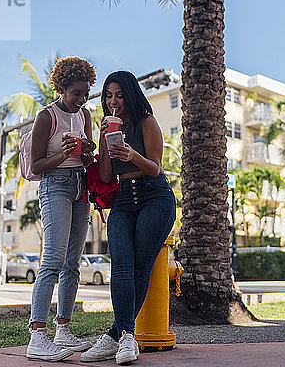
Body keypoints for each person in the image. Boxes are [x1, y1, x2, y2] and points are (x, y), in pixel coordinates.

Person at [81, 71, 176, 365]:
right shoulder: (108, 127)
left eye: (119, 95)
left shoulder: (147, 122)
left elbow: (155, 169)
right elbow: (108, 177)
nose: (113, 102)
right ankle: (120, 338)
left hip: (154, 197)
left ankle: (120, 338)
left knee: (139, 268)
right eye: (108, 96)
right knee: (120, 265)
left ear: (131, 95)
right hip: (122, 199)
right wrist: (104, 142)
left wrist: (132, 154)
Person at [26, 57, 97, 362]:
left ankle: (63, 329)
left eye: (86, 93)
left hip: (81, 186)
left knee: (73, 263)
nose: (81, 100)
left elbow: (88, 158)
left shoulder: (86, 116)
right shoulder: (47, 117)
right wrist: (63, 154)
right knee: (53, 260)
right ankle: (37, 336)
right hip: (54, 185)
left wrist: (88, 151)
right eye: (76, 93)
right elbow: (36, 165)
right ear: (62, 87)